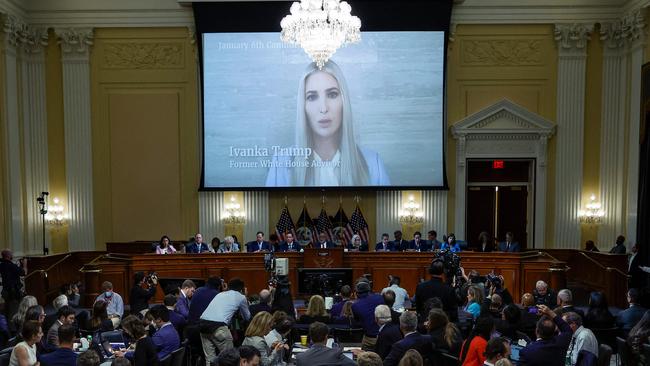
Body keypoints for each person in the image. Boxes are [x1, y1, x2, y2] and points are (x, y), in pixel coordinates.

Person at [265, 60, 390, 187]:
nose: (323, 108)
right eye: (312, 97)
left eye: (332, 94)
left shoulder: (373, 163)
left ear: (344, 101)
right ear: (303, 107)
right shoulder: (280, 164)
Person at [199, 278, 251, 364]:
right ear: (241, 288)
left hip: (202, 325)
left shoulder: (220, 294)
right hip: (218, 327)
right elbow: (247, 317)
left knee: (210, 360)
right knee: (230, 360)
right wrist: (245, 296)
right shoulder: (241, 297)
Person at [351, 280, 384, 351]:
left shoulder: (355, 305)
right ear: (369, 290)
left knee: (366, 359)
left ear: (356, 293)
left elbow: (357, 321)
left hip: (369, 338)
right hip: (383, 336)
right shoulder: (380, 297)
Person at [0, 249, 26, 319]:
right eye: (11, 254)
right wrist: (24, 264)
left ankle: (7, 325)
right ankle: (13, 327)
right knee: (14, 311)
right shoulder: (11, 266)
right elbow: (23, 272)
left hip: (5, 291)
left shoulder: (1, 265)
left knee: (7, 310)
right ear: (8, 256)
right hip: (13, 292)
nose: (12, 255)